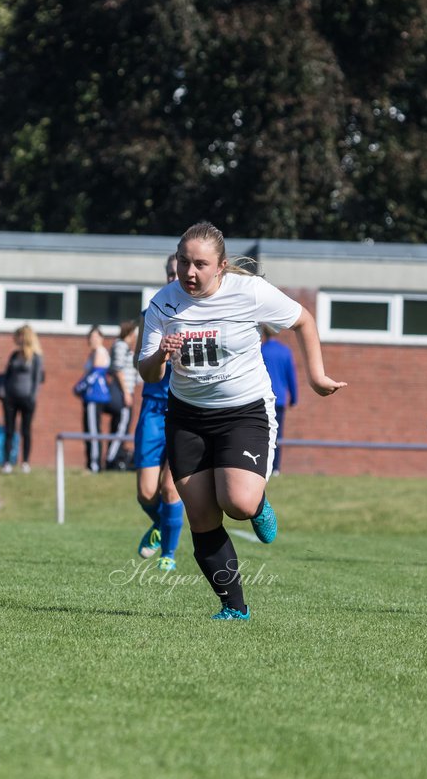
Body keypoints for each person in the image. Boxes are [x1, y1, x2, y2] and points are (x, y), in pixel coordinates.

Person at [138, 222, 346, 620]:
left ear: (222, 266)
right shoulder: (163, 304)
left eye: (200, 264)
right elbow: (146, 373)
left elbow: (303, 320)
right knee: (201, 515)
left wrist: (317, 377)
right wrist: (160, 355)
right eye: (184, 262)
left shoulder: (249, 292)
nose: (190, 273)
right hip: (187, 417)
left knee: (238, 502)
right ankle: (234, 608)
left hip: (244, 412)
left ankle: (259, 501)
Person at [131, 254, 184, 571]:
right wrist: (161, 354)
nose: (173, 280)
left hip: (183, 407)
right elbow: (142, 364)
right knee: (145, 493)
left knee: (169, 487)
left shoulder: (203, 316)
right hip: (152, 407)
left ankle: (169, 555)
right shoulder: (149, 313)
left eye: (177, 274)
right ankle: (161, 526)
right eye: (170, 273)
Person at [0, 324, 44, 474]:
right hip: (10, 399)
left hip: (27, 399)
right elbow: (7, 375)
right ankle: (7, 462)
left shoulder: (36, 358)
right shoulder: (14, 355)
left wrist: (32, 397)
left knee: (26, 431)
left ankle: (25, 462)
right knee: (9, 431)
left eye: (18, 336)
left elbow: (37, 379)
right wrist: (3, 392)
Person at [259, 329, 299, 473]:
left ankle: (261, 466)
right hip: (280, 400)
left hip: (261, 399)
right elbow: (291, 377)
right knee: (277, 434)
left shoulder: (261, 351)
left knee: (261, 433)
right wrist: (294, 398)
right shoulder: (285, 351)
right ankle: (275, 468)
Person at [75, 327, 113, 473]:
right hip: (89, 397)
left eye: (95, 337)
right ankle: (90, 463)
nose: (92, 340)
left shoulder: (100, 352)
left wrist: (79, 388)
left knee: (93, 430)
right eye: (90, 337)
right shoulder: (93, 353)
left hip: (95, 397)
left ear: (101, 338)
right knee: (89, 429)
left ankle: (94, 465)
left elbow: (94, 375)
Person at [105, 319, 139, 469]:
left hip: (126, 392)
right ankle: (111, 460)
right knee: (121, 428)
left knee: (119, 427)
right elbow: (118, 370)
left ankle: (115, 457)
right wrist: (126, 392)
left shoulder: (125, 348)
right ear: (130, 333)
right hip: (123, 394)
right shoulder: (121, 346)